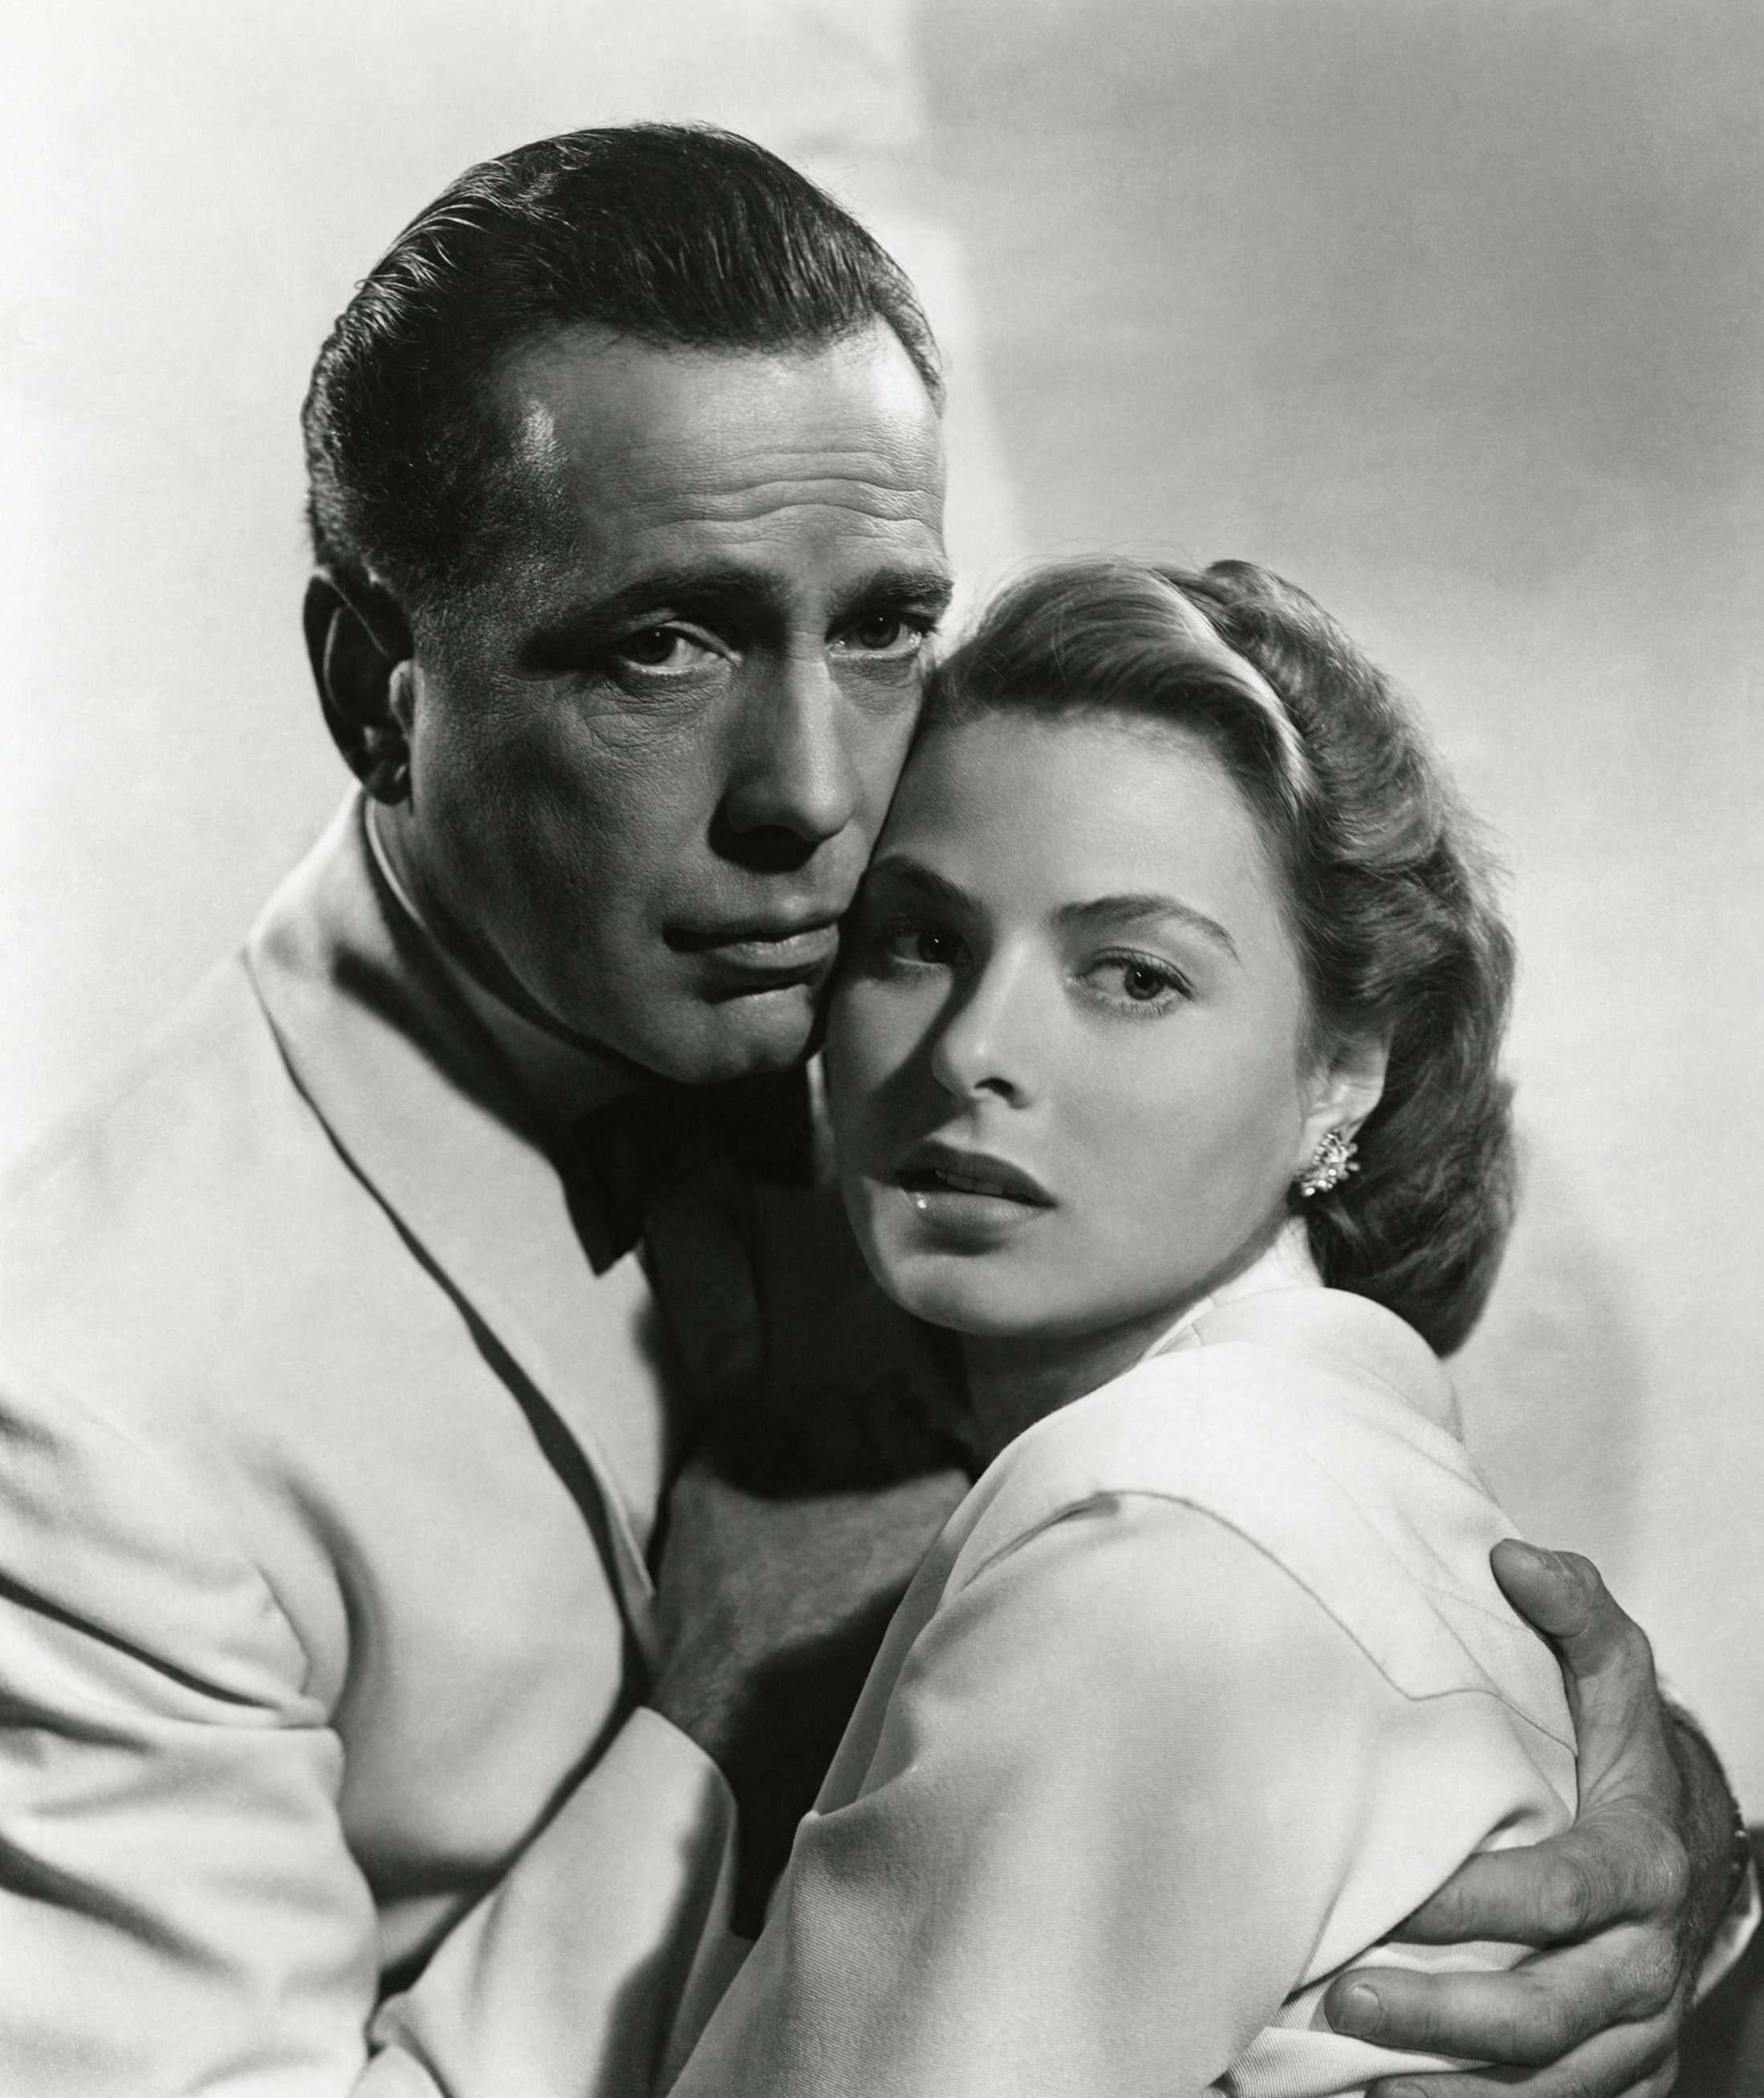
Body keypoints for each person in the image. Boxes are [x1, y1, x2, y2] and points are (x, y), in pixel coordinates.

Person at [0, 124, 1742, 2098]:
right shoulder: (80, 1410)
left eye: (883, 626)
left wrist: (1644, 1827)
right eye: (664, 644)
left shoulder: (955, 989)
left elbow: (1289, 1607)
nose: (814, 794)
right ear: (371, 687)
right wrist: (722, 1711)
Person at [663, 556, 1739, 2096]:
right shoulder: (1306, 1480)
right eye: (920, 940)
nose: (972, 1051)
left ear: (1342, 1069)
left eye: (1132, 975)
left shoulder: (1156, 1522)